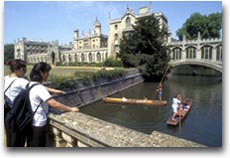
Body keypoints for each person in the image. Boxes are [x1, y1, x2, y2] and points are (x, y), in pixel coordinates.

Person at [27, 62, 79, 147]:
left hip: (31, 120)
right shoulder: (39, 88)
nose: (48, 75)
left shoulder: (30, 84)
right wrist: (71, 109)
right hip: (38, 123)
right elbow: (53, 103)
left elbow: (42, 88)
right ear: (41, 73)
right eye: (47, 72)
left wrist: (54, 91)